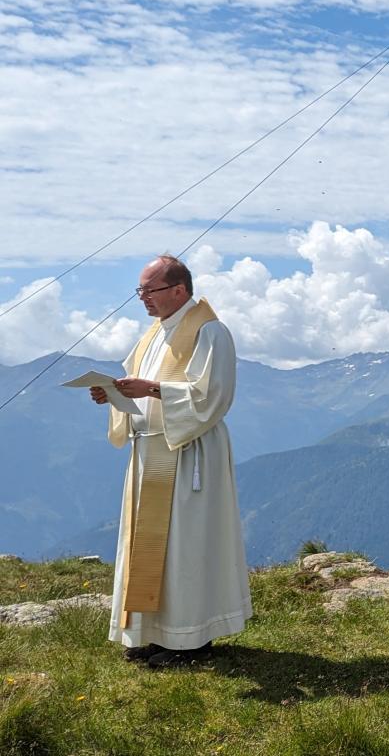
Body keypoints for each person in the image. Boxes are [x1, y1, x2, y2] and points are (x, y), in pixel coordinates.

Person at [90, 255, 251, 668]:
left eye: (149, 290)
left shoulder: (209, 331)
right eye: (140, 290)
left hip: (188, 453)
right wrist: (115, 394)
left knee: (185, 546)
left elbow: (212, 395)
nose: (142, 298)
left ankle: (192, 640)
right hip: (150, 451)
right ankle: (153, 633)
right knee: (149, 548)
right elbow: (139, 390)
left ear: (179, 290)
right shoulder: (151, 336)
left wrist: (154, 389)